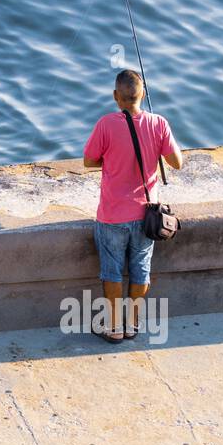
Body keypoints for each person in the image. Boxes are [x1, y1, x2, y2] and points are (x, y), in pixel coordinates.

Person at [82, 69, 182, 342]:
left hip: (113, 215)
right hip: (147, 215)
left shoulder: (106, 124)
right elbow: (177, 163)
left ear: (116, 96)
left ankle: (114, 326)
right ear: (143, 94)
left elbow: (89, 161)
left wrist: (112, 160)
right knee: (141, 268)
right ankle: (132, 323)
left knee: (111, 271)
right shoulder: (159, 123)